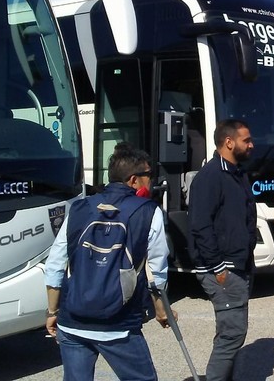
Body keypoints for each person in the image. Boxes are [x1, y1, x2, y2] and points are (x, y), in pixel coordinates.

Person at [44, 146, 172, 381]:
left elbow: (55, 264)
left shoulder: (79, 208)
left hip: (73, 321)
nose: (152, 181)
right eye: (149, 176)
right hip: (118, 324)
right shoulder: (148, 212)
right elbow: (157, 269)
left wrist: (52, 311)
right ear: (134, 180)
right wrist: (161, 310)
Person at [187, 119, 257, 381]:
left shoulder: (236, 173)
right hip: (222, 268)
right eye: (246, 140)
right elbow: (200, 225)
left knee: (234, 332)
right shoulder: (211, 177)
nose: (251, 145)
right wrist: (218, 267)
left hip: (238, 264)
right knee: (232, 334)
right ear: (228, 142)